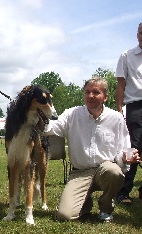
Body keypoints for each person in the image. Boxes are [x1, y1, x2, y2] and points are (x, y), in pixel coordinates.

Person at [44, 77, 139, 222]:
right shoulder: (72, 114)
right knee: (65, 215)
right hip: (79, 172)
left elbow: (123, 149)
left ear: (105, 97)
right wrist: (32, 117)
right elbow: (52, 128)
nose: (90, 96)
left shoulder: (116, 118)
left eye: (96, 92)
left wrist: (125, 158)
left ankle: (106, 208)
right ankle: (84, 202)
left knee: (114, 172)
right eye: (87, 92)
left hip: (105, 170)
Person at [115, 22, 142, 205]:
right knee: (134, 148)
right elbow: (121, 84)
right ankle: (123, 192)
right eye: (141, 32)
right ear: (137, 34)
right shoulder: (127, 56)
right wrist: (118, 109)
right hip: (135, 106)